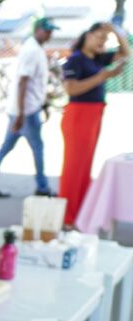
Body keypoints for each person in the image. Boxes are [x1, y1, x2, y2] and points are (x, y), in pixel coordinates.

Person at [0, 17, 59, 199]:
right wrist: (22, 114)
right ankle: (42, 187)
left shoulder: (35, 48)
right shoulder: (32, 50)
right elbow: (23, 82)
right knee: (37, 148)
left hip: (24, 109)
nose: (50, 34)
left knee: (6, 147)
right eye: (47, 30)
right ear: (37, 29)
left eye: (51, 31)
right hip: (26, 111)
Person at [59, 21, 128, 226]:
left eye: (104, 39)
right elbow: (71, 90)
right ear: (87, 36)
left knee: (85, 166)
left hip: (94, 114)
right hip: (79, 114)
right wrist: (102, 77)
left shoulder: (98, 58)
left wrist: (115, 31)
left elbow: (126, 53)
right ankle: (67, 215)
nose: (102, 41)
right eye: (98, 36)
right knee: (74, 167)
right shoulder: (75, 60)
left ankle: (80, 210)